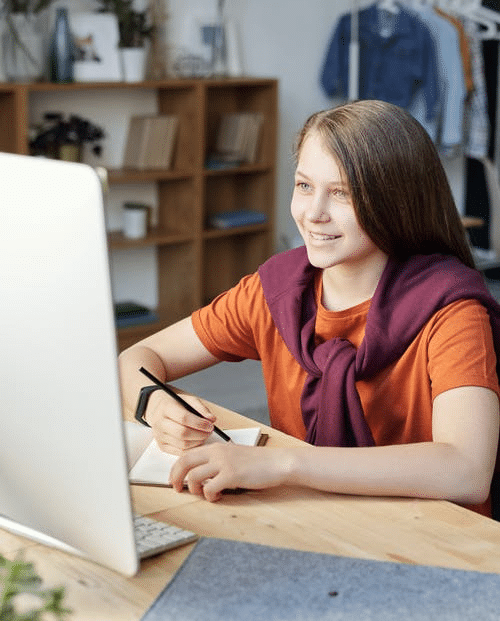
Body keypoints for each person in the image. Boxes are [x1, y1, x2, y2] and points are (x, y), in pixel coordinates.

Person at [119, 99, 500, 516]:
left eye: (342, 193)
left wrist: (283, 463)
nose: (313, 214)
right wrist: (155, 404)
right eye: (304, 186)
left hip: (433, 538)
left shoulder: (452, 312)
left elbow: (466, 469)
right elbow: (136, 358)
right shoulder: (276, 291)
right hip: (312, 517)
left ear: (396, 201)